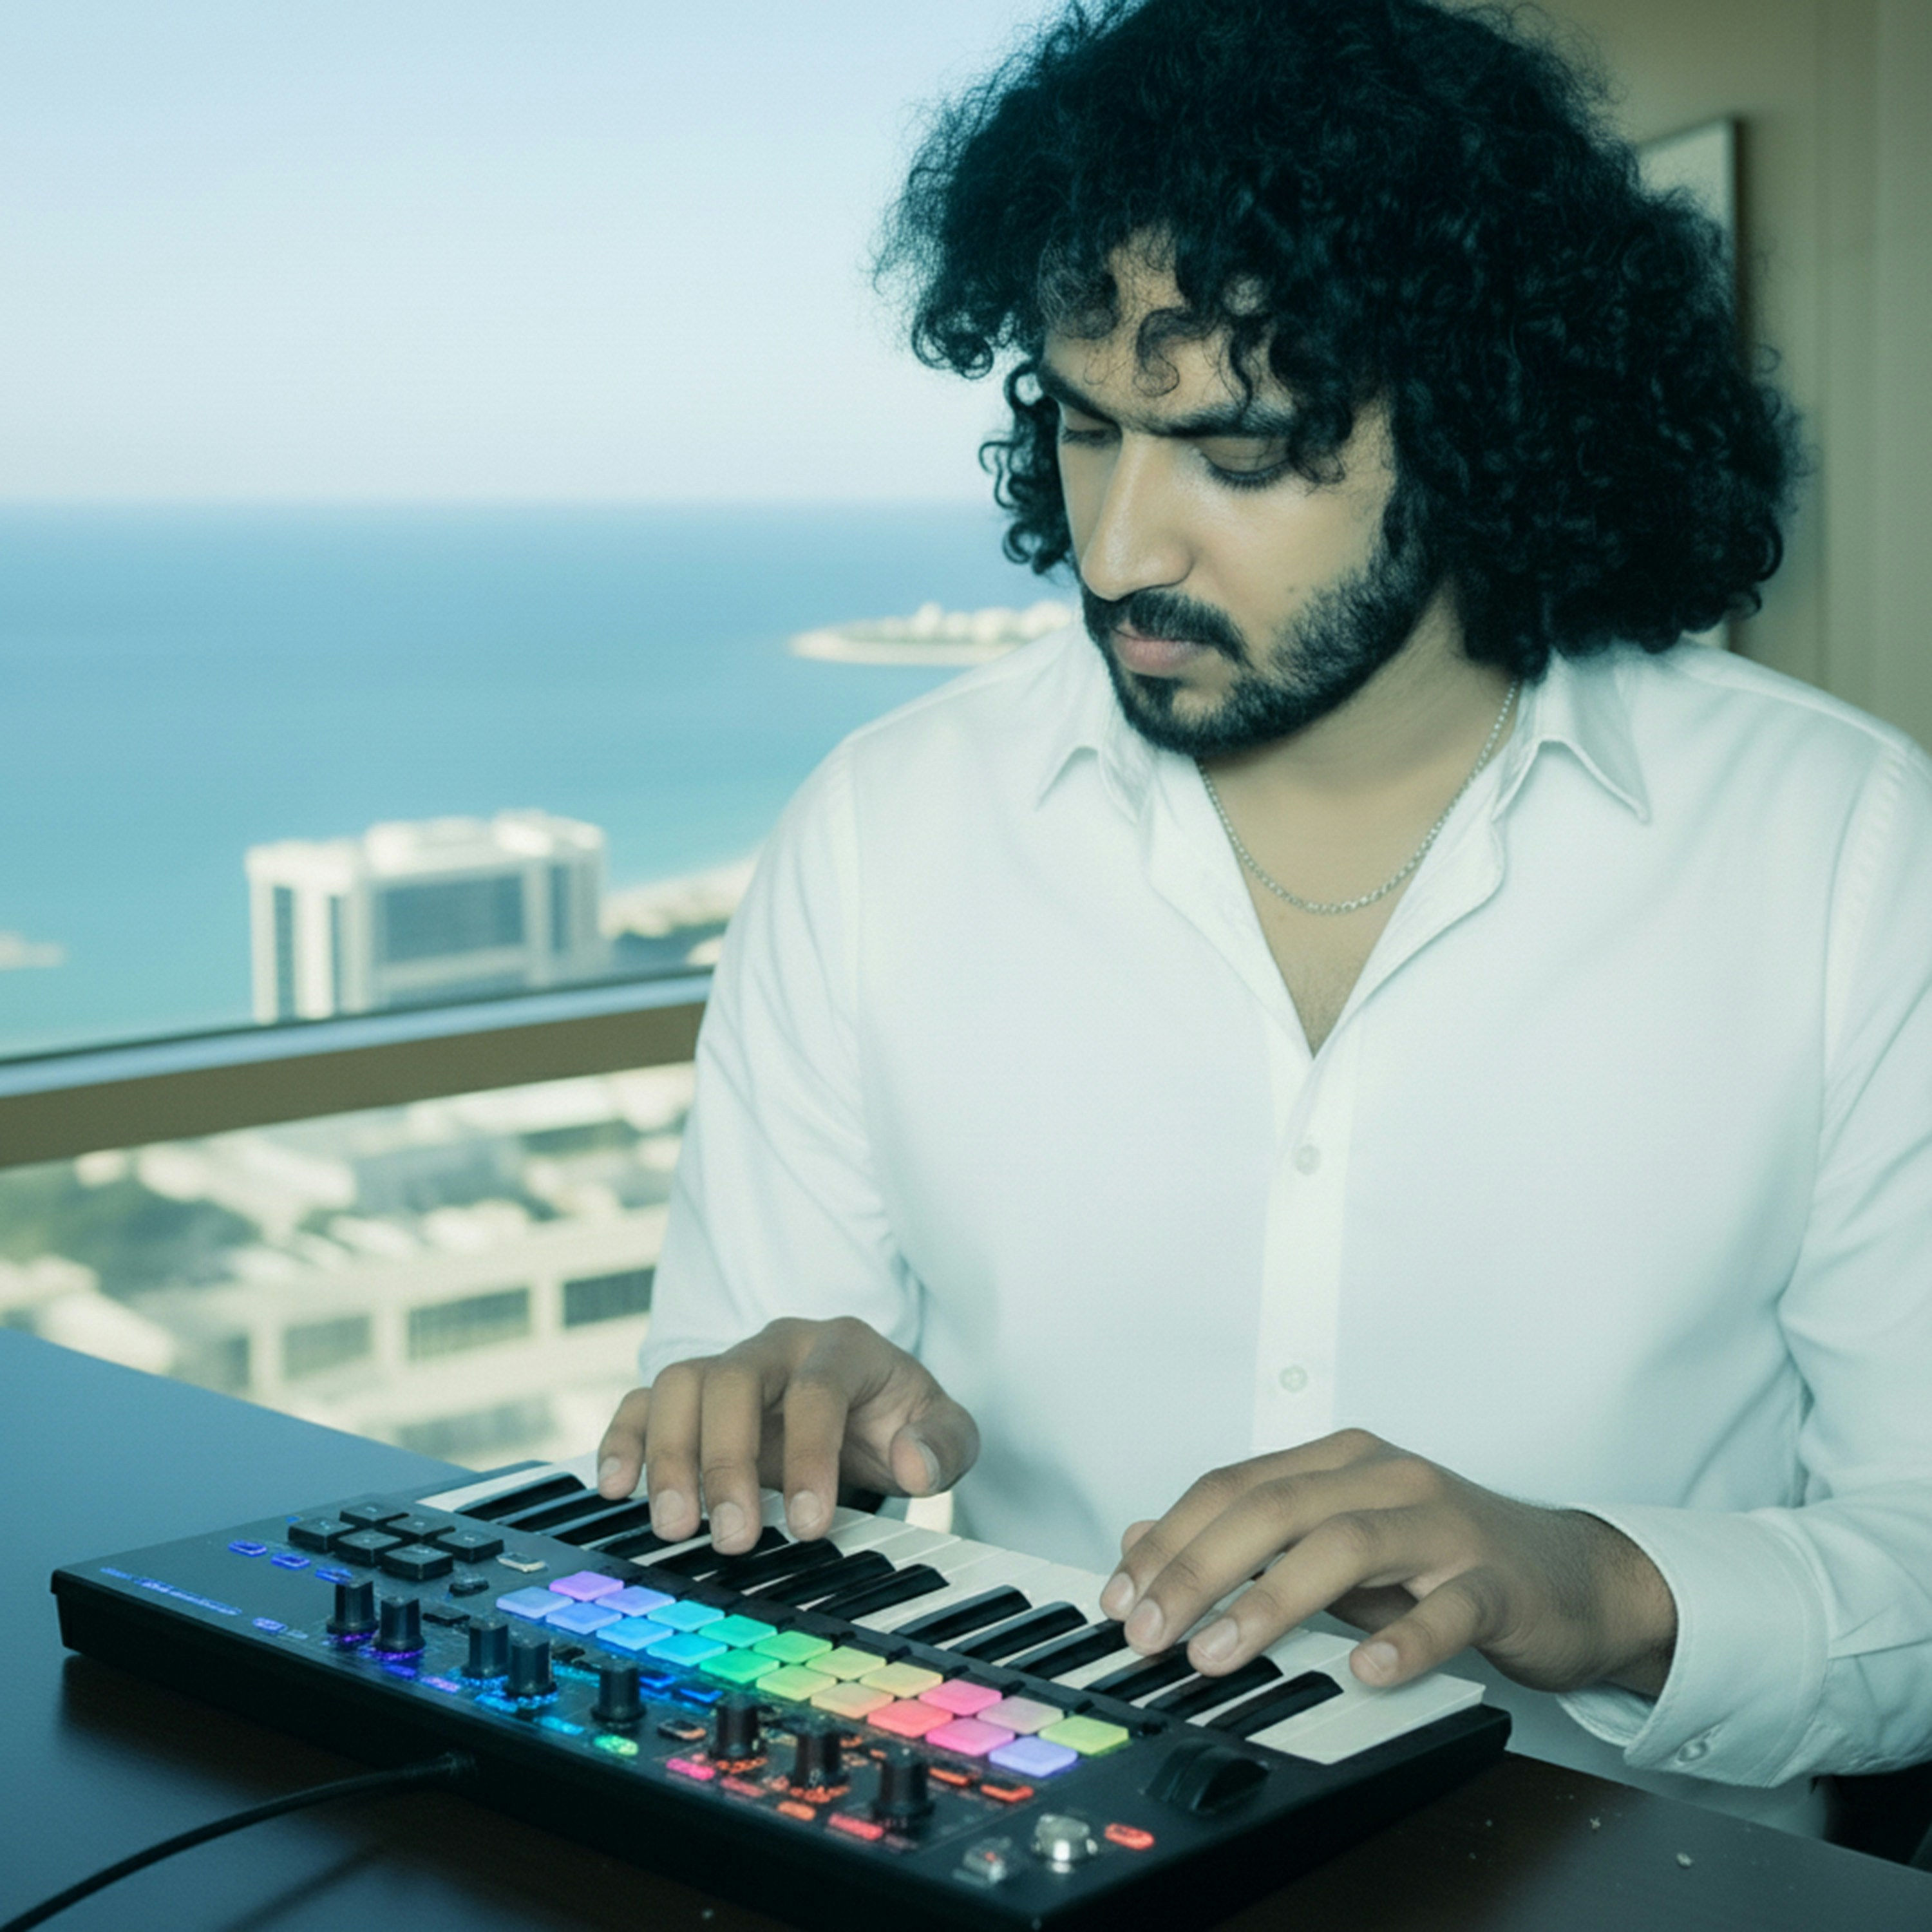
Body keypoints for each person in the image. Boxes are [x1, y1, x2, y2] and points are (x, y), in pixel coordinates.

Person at [597, 0, 1932, 1833]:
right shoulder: (880, 835)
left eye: (1237, 455)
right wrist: (757, 1425)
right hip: (1027, 1861)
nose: (1124, 547)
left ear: (1483, 421)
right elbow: (707, 1469)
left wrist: (1604, 1587)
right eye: (1083, 431)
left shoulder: (1850, 857)